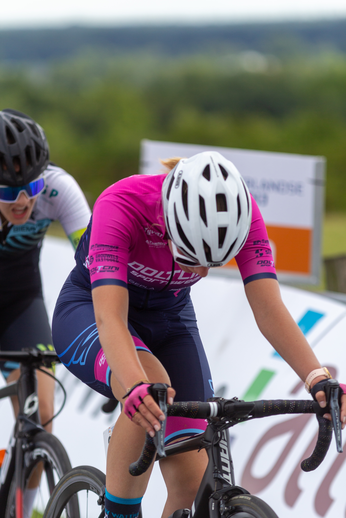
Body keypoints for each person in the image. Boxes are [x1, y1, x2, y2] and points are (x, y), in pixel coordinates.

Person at [52, 151, 346, 518]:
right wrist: (132, 385)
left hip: (171, 319)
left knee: (190, 485)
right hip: (91, 310)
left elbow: (269, 308)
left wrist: (317, 377)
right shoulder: (122, 204)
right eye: (191, 256)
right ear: (169, 223)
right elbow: (110, 315)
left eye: (214, 261)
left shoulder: (243, 213)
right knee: (152, 384)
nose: (203, 272)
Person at [0, 108, 91, 516]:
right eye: (7, 192)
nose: (22, 200)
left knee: (42, 418)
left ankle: (21, 511)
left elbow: (99, 268)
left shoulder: (59, 190)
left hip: (20, 303)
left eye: (30, 185)